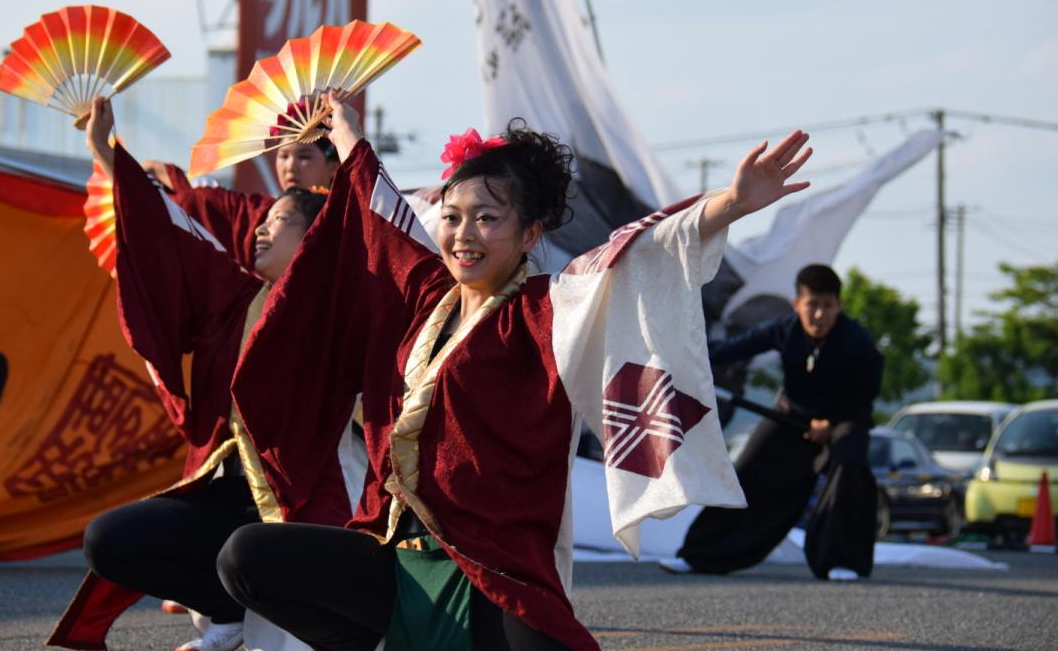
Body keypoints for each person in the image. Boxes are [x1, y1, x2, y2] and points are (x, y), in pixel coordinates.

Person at [214, 93, 812, 650]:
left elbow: (636, 254)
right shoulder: (427, 295)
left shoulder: (550, 309)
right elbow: (381, 213)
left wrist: (730, 204)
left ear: (530, 234)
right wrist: (346, 133)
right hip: (397, 558)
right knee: (246, 557)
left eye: (486, 218)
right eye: (452, 217)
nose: (463, 234)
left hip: (495, 570)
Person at [49, 97, 352, 651]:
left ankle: (261, 602)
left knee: (262, 565)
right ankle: (224, 607)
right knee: (109, 540)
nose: (261, 230)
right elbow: (171, 234)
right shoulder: (234, 297)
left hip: (311, 505)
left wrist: (351, 142)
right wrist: (106, 153)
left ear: (315, 236)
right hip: (228, 494)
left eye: (279, 221)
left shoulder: (342, 306)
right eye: (260, 222)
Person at [663, 263, 883, 581]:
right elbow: (728, 350)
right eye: (812, 305)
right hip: (791, 418)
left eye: (827, 306)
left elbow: (865, 398)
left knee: (849, 461)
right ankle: (701, 555)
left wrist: (832, 423)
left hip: (844, 422)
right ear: (797, 304)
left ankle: (841, 560)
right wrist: (677, 354)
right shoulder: (783, 329)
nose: (819, 315)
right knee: (746, 470)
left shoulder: (859, 344)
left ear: (839, 306)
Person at [141, 131, 340, 271]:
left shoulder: (345, 220)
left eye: (304, 157)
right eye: (283, 155)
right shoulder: (254, 210)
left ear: (333, 167)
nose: (290, 166)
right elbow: (200, 201)